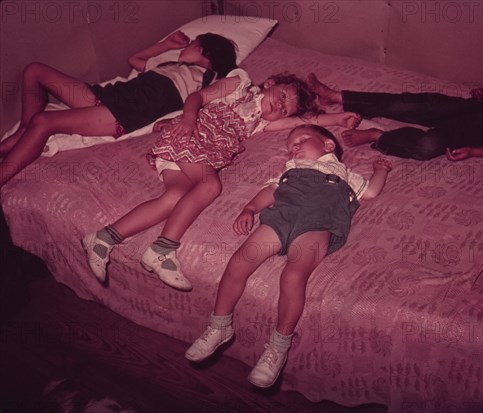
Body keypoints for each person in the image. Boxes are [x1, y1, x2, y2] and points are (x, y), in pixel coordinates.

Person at [82, 71, 362, 291]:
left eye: (285, 109)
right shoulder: (239, 85)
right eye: (283, 94)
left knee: (174, 198)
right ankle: (162, 249)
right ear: (272, 82)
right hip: (187, 137)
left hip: (195, 155)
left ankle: (103, 237)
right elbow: (196, 97)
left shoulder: (260, 123)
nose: (280, 105)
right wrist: (189, 120)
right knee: (210, 186)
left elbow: (297, 124)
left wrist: (339, 118)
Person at [184, 124, 392, 388]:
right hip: (281, 218)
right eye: (290, 146)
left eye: (302, 140)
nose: (294, 147)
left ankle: (278, 347)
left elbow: (371, 192)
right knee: (239, 261)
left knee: (293, 275)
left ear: (328, 145)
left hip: (318, 224)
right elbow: (271, 191)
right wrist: (249, 208)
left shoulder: (345, 173)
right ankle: (219, 325)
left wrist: (381, 170)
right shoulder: (289, 170)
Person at [0, 31, 237, 187]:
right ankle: (24, 132)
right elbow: (135, 61)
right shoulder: (170, 63)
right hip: (109, 95)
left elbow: (216, 96)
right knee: (35, 70)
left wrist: (189, 117)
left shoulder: (208, 77)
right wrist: (165, 45)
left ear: (208, 53)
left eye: (195, 43)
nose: (189, 44)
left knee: (44, 121)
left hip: (127, 110)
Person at [307, 73, 483, 161]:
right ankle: (337, 96)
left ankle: (378, 137)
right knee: (407, 104)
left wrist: (474, 151)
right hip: (466, 110)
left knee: (426, 147)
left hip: (471, 135)